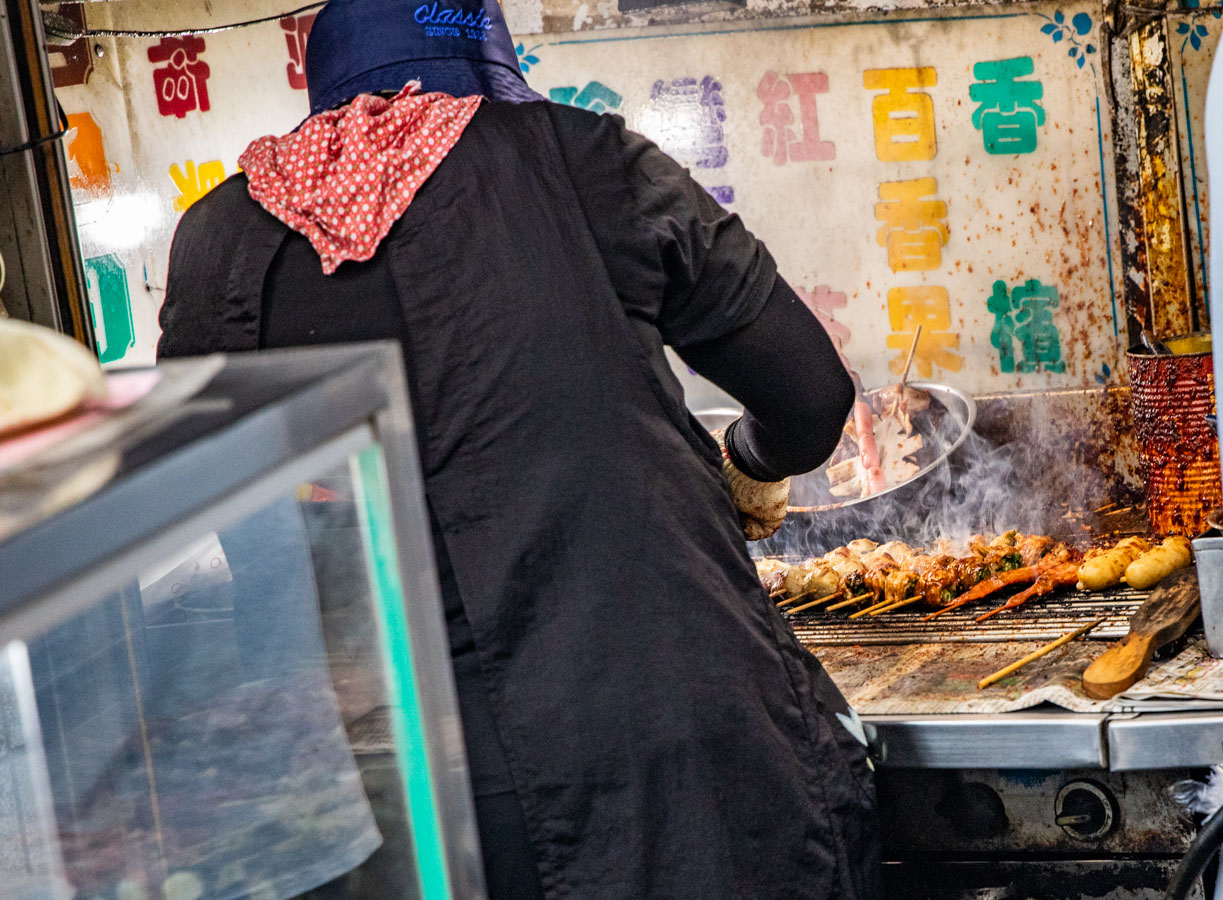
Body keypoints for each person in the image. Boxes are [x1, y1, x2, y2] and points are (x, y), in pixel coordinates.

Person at [157, 0, 879, 895]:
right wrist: (749, 462)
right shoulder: (586, 161)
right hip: (655, 749)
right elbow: (810, 397)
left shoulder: (219, 236)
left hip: (384, 786)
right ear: (488, 79)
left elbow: (210, 491)